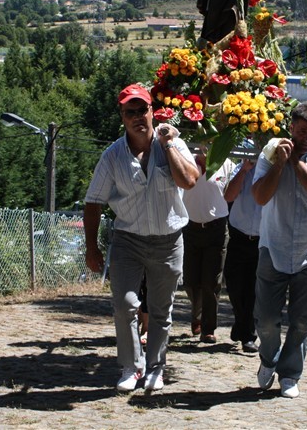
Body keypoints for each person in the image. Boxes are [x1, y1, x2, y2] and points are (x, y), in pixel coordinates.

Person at [83, 83, 200, 393]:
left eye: (142, 110)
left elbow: (189, 180)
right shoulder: (112, 156)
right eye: (129, 112)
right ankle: (131, 367)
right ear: (122, 117)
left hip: (168, 241)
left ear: (152, 111)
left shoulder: (172, 144)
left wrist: (169, 145)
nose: (137, 117)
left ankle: (155, 369)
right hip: (127, 241)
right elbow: (93, 201)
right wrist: (91, 247)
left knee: (161, 309)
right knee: (125, 305)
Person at [251, 103, 307, 399]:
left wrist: (294, 162)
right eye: (302, 132)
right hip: (273, 248)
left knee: (301, 322)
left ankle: (289, 374)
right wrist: (279, 163)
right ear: (291, 128)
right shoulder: (269, 156)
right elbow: (260, 197)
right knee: (265, 319)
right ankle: (268, 358)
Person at [182, 152, 233, 344]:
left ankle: (208, 328)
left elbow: (229, 192)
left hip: (216, 229)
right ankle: (197, 315)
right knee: (190, 280)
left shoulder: (226, 163)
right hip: (189, 228)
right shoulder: (185, 159)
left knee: (211, 282)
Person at [223, 158, 261, 353]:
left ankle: (248, 337)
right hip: (239, 236)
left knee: (253, 292)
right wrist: (245, 171)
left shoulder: (274, 167)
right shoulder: (243, 166)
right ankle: (240, 324)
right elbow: (228, 196)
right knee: (235, 287)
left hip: (262, 241)